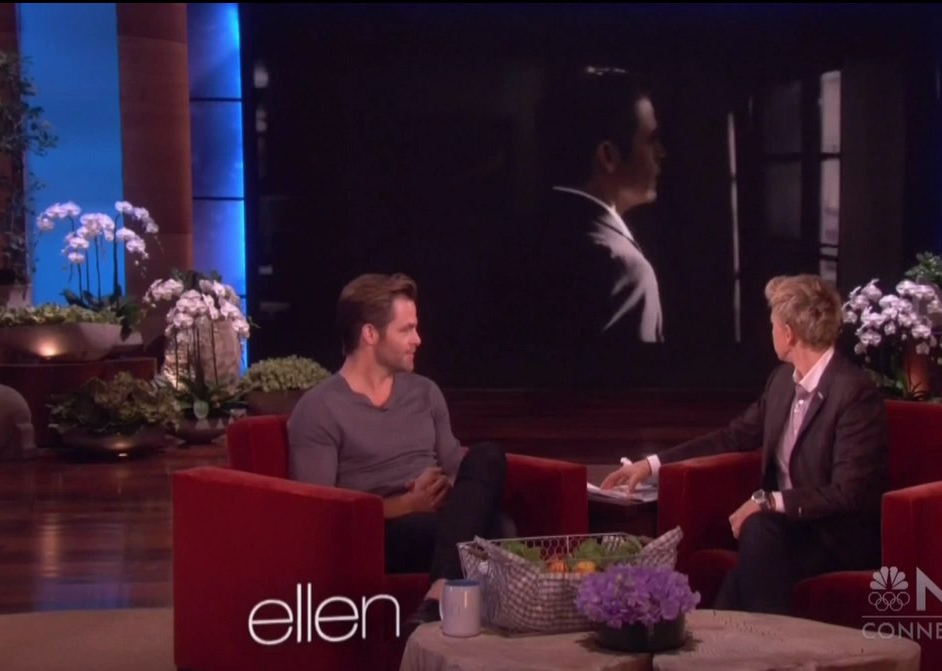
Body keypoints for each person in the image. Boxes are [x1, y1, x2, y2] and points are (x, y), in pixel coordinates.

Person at [601, 274, 888, 615]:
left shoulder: (853, 392)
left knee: (759, 532)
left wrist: (770, 502)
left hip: (834, 536)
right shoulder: (782, 382)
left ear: (788, 333)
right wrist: (651, 465)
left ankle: (759, 640)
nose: (770, 332)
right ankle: (737, 641)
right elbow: (732, 437)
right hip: (788, 530)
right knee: (748, 562)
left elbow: (849, 492)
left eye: (772, 324)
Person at [286, 272, 510, 626]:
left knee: (488, 456)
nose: (418, 339)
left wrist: (444, 487)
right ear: (370, 334)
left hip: (442, 518)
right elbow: (319, 511)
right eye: (406, 330)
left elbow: (457, 468)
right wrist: (409, 503)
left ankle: (438, 594)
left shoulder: (425, 392)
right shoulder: (319, 409)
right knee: (500, 530)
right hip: (382, 532)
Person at [534, 66, 667, 345]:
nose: (661, 154)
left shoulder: (521, 239)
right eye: (651, 141)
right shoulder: (625, 272)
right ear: (608, 156)